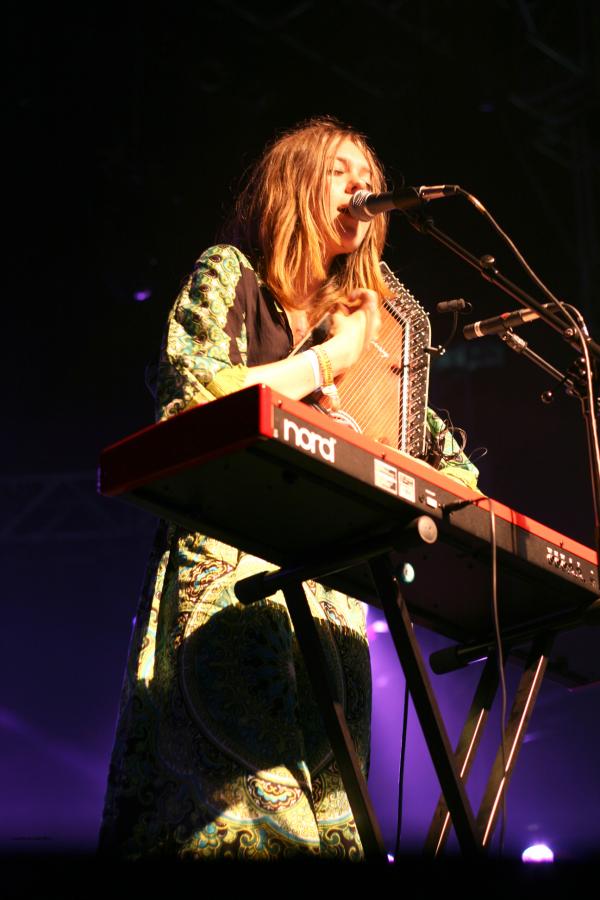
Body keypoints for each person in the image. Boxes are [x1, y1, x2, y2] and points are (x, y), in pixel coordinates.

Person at [99, 117, 478, 862]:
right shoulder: (231, 275)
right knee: (230, 819)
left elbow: (452, 468)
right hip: (232, 572)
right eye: (341, 171)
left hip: (327, 599)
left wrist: (366, 424)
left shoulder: (361, 326)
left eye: (369, 175)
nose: (363, 187)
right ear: (294, 184)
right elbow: (196, 398)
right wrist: (329, 361)